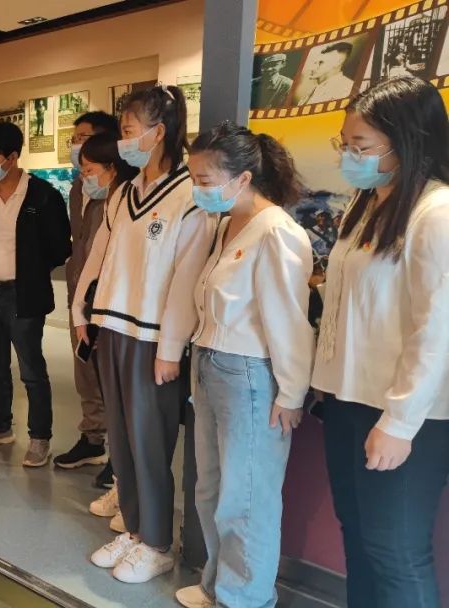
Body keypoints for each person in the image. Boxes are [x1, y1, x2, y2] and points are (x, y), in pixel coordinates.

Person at [313, 75, 449, 608]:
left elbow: (436, 332)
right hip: (348, 400)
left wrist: (398, 423)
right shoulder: (368, 203)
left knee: (397, 552)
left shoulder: (436, 214)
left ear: (408, 142)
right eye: (344, 144)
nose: (348, 156)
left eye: (361, 146)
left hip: (405, 415)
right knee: (360, 535)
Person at [72, 85, 214, 584]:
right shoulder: (124, 192)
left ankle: (157, 543)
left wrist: (170, 349)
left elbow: (186, 282)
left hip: (152, 339)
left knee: (150, 444)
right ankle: (134, 529)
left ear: (159, 132)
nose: (124, 140)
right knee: (123, 440)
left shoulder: (189, 197)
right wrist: (82, 312)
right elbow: (102, 257)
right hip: (112, 328)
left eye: (130, 130)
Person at [173, 123, 314, 608]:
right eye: (194, 177)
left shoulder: (277, 231)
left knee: (246, 498)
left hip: (250, 374)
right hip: (210, 363)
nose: (198, 189)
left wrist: (291, 393)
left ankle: (246, 599)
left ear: (243, 177)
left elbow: (289, 320)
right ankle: (219, 585)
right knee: (211, 489)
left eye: (205, 180)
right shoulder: (225, 223)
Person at [0, 121, 72, 467]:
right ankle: (0, 427)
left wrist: (30, 267)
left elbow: (60, 247)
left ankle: (40, 437)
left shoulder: (42, 195)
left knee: (31, 367)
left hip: (22, 294)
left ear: (12, 157)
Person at [55, 112, 125, 485]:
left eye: (84, 138)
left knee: (111, 377)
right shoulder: (78, 189)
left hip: (109, 301)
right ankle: (92, 437)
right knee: (84, 369)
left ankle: (118, 454)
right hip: (79, 295)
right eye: (75, 138)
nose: (76, 145)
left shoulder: (122, 194)